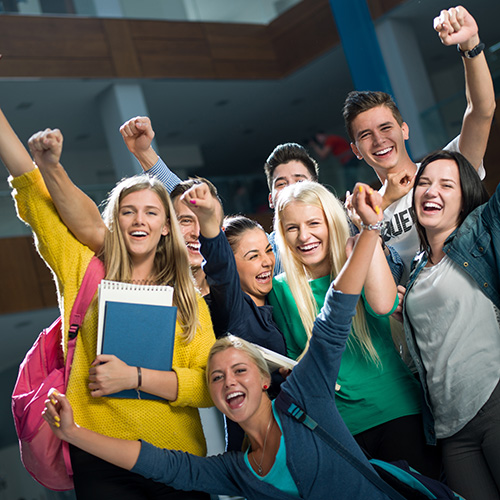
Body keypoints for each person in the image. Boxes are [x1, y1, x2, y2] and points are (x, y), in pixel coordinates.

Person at [43, 183, 397, 500]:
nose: (228, 382)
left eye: (239, 370)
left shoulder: (306, 398)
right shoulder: (238, 469)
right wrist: (73, 433)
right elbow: (166, 466)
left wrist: (369, 230)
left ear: (264, 377)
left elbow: (334, 317)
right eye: (215, 377)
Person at [3, 120, 215, 499]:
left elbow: (205, 385)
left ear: (166, 227)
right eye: (128, 211)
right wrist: (47, 161)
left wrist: (134, 377)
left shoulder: (188, 298)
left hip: (178, 458)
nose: (139, 220)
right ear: (114, 222)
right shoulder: (84, 271)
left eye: (151, 213)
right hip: (98, 458)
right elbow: (34, 196)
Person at [268, 180, 441, 478]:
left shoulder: (356, 255)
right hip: (339, 429)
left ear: (332, 223)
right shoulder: (281, 289)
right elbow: (296, 357)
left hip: (396, 410)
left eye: (313, 223)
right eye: (292, 228)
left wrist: (368, 234)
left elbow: (384, 305)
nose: (304, 236)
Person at [343, 6, 495, 283]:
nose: (379, 140)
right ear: (356, 150)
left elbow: (481, 110)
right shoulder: (361, 214)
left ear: (404, 130)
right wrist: (382, 202)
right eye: (365, 135)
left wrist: (470, 44)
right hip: (416, 319)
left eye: (386, 127)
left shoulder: (446, 169)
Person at [400, 149, 500, 500]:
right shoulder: (415, 269)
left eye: (446, 185)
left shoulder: (479, 236)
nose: (431, 191)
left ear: (464, 198)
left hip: (494, 403)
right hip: (448, 428)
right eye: (424, 183)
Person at [180, 181, 287, 450]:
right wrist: (205, 215)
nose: (266, 262)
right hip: (255, 445)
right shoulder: (232, 308)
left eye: (268, 250)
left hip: (288, 434)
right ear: (231, 264)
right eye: (253, 256)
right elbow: (218, 262)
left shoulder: (280, 299)